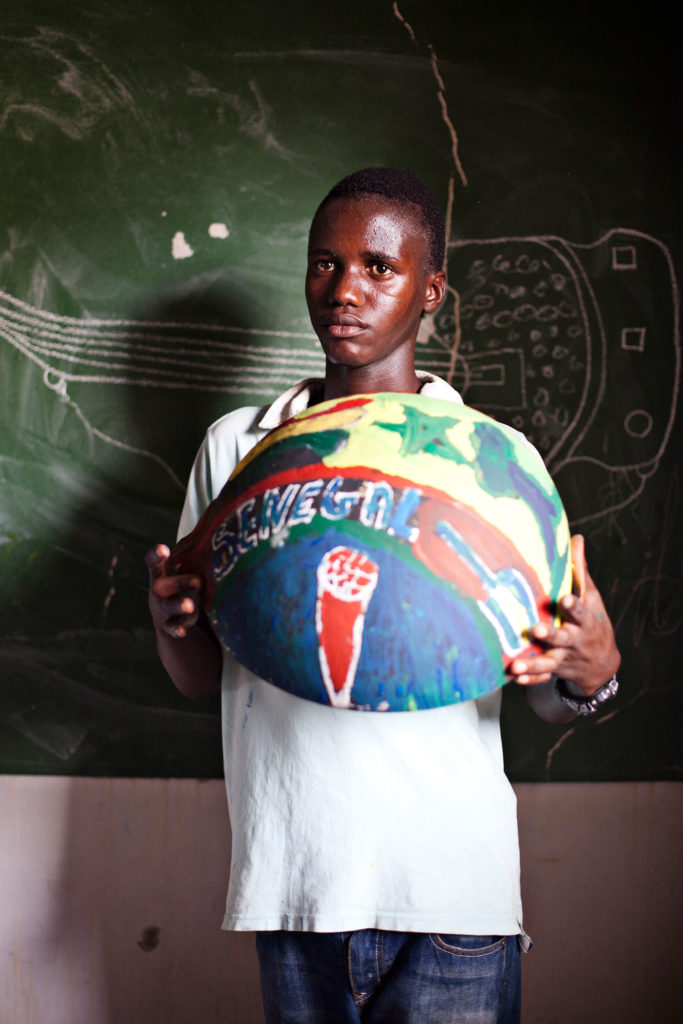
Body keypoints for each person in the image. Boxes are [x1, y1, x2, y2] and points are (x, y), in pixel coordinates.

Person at [146, 168, 620, 1023]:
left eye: (377, 267)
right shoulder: (241, 451)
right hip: (294, 886)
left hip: (450, 892)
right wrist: (170, 621)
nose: (344, 290)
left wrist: (594, 671)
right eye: (323, 265)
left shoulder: (490, 460)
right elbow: (198, 677)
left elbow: (548, 696)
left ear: (430, 289)